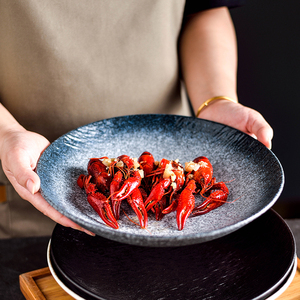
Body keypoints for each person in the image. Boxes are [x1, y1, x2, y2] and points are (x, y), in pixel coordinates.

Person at [0, 0, 273, 238]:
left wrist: (215, 99)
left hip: (175, 137)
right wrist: (7, 131)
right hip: (34, 170)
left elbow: (204, 8)